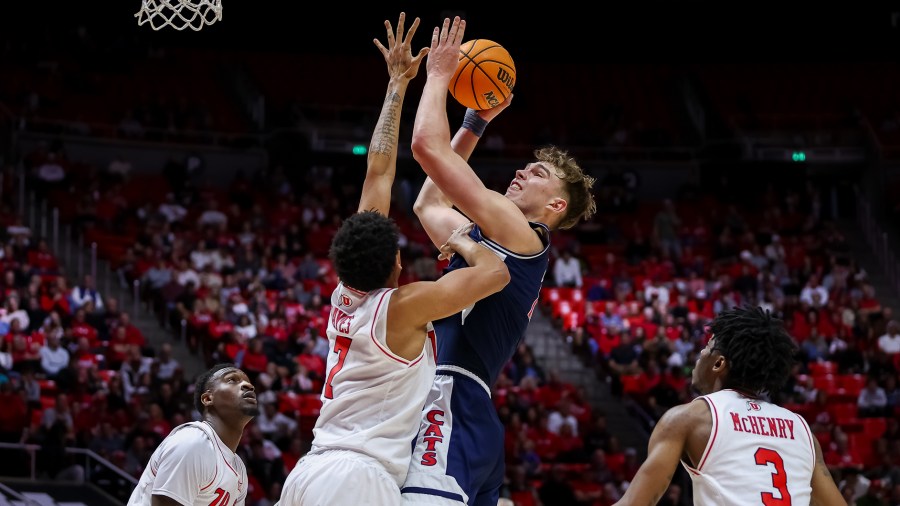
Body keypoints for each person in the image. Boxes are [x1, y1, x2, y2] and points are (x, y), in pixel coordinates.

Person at [277, 14, 509, 506]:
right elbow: (496, 272)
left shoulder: (346, 294)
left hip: (310, 471)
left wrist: (398, 83)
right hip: (357, 477)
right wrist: (464, 240)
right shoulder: (402, 307)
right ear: (396, 263)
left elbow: (378, 172)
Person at [400, 16, 597, 506]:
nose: (522, 171)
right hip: (465, 405)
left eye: (538, 174)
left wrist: (439, 76)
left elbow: (426, 147)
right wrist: (474, 123)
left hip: (451, 399)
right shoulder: (497, 239)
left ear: (556, 206)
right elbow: (428, 204)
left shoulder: (521, 234)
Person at [613, 306, 845, 506]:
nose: (700, 353)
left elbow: (635, 503)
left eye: (707, 347)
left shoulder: (690, 418)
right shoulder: (802, 431)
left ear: (719, 363)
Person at [126, 363, 259, 506]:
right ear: (208, 398)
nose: (248, 385)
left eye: (249, 382)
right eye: (232, 380)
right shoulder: (194, 442)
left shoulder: (238, 468)